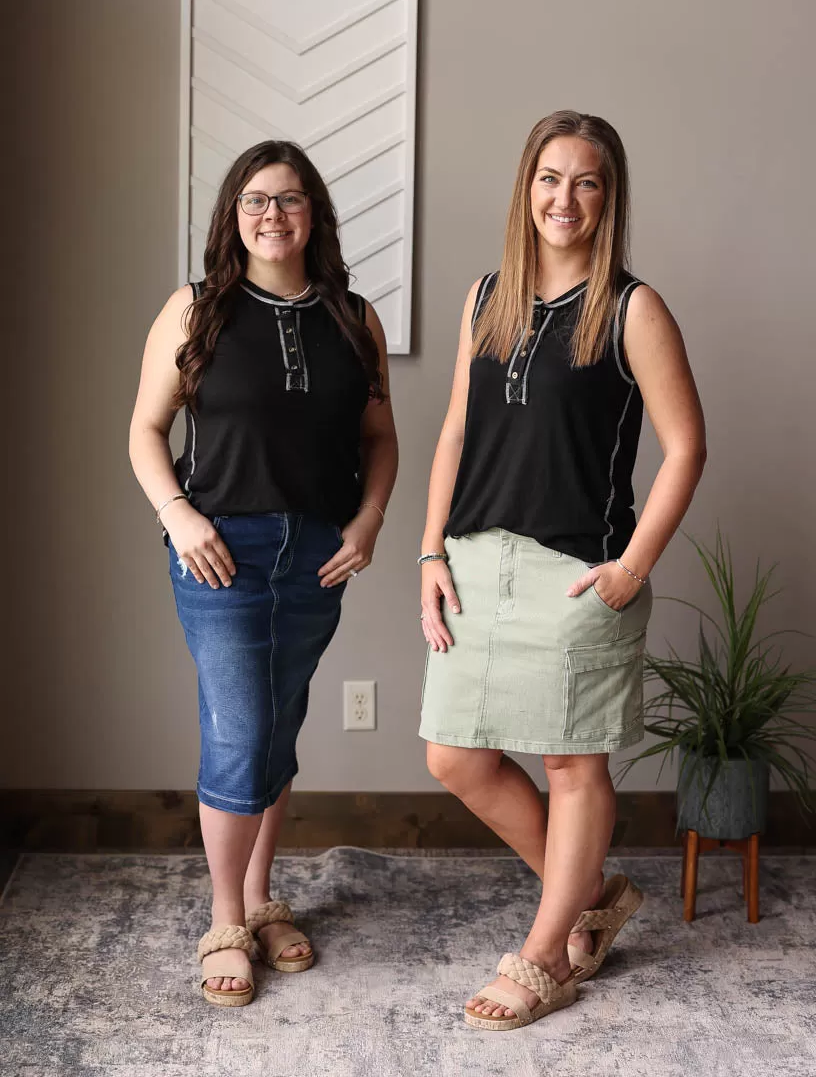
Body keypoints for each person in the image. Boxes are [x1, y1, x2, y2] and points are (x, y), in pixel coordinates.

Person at [418, 110, 706, 1031]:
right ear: (525, 186)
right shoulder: (485, 298)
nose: (564, 198)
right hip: (475, 560)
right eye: (550, 177)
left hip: (581, 572)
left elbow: (687, 447)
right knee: (454, 755)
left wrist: (631, 567)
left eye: (586, 182)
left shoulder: (632, 308)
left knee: (573, 764)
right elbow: (457, 434)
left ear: (608, 196)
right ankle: (587, 900)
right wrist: (429, 552)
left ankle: (546, 955)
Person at [129, 140, 397, 1006]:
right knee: (241, 733)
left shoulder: (356, 318)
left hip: (318, 555)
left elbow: (379, 439)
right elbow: (144, 431)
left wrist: (367, 521)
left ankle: (260, 895)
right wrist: (177, 516)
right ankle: (224, 920)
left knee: (279, 729)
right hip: (219, 554)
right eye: (254, 200)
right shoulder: (194, 309)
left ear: (313, 212)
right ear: (232, 216)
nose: (271, 214)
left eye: (288, 199)